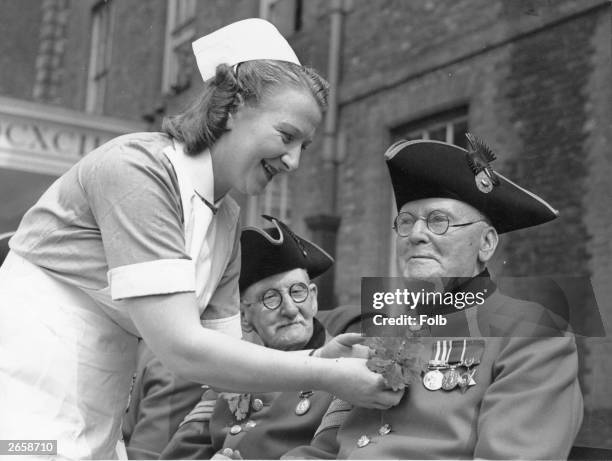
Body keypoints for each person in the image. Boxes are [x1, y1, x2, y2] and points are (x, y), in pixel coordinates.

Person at [0, 19, 401, 460]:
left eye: (304, 146)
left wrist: (324, 359)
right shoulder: (137, 169)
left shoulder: (225, 217)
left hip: (96, 406)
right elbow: (182, 348)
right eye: (286, 136)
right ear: (232, 108)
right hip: (24, 399)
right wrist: (325, 375)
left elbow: (225, 363)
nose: (292, 161)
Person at [284, 134, 584, 459]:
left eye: (438, 221)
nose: (415, 235)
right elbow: (324, 451)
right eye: (406, 222)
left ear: (486, 244)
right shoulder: (386, 330)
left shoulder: (534, 333)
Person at [158, 216, 336, 460]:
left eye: (297, 292)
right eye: (270, 298)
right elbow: (181, 452)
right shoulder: (231, 373)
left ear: (314, 298)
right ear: (243, 316)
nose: (290, 309)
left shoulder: (345, 368)